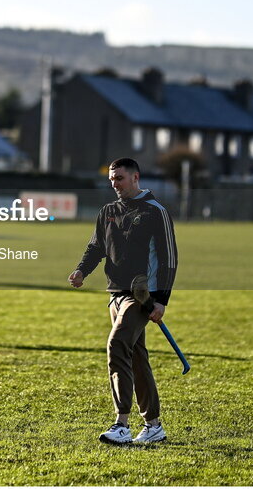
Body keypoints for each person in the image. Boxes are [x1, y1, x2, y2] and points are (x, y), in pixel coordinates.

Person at [68, 157, 178, 445]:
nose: (115, 184)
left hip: (142, 295)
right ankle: (153, 426)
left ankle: (121, 423)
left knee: (117, 344)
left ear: (135, 177)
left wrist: (161, 299)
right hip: (114, 294)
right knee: (137, 358)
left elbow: (169, 258)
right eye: (112, 180)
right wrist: (82, 270)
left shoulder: (156, 211)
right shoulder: (108, 211)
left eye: (119, 178)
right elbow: (96, 247)